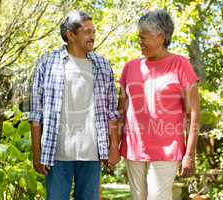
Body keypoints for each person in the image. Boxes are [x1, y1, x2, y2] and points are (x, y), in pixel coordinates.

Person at [29, 10, 121, 200]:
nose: (93, 36)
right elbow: (36, 113)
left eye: (94, 32)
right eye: (87, 32)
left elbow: (112, 111)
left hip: (92, 152)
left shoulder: (103, 65)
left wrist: (113, 147)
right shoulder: (48, 63)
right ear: (70, 35)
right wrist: (37, 152)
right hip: (57, 152)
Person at [118, 9, 200, 200]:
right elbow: (121, 110)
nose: (140, 42)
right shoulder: (131, 67)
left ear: (161, 38)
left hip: (167, 148)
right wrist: (114, 144)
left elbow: (194, 113)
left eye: (144, 37)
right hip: (134, 147)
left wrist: (190, 154)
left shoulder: (181, 65)